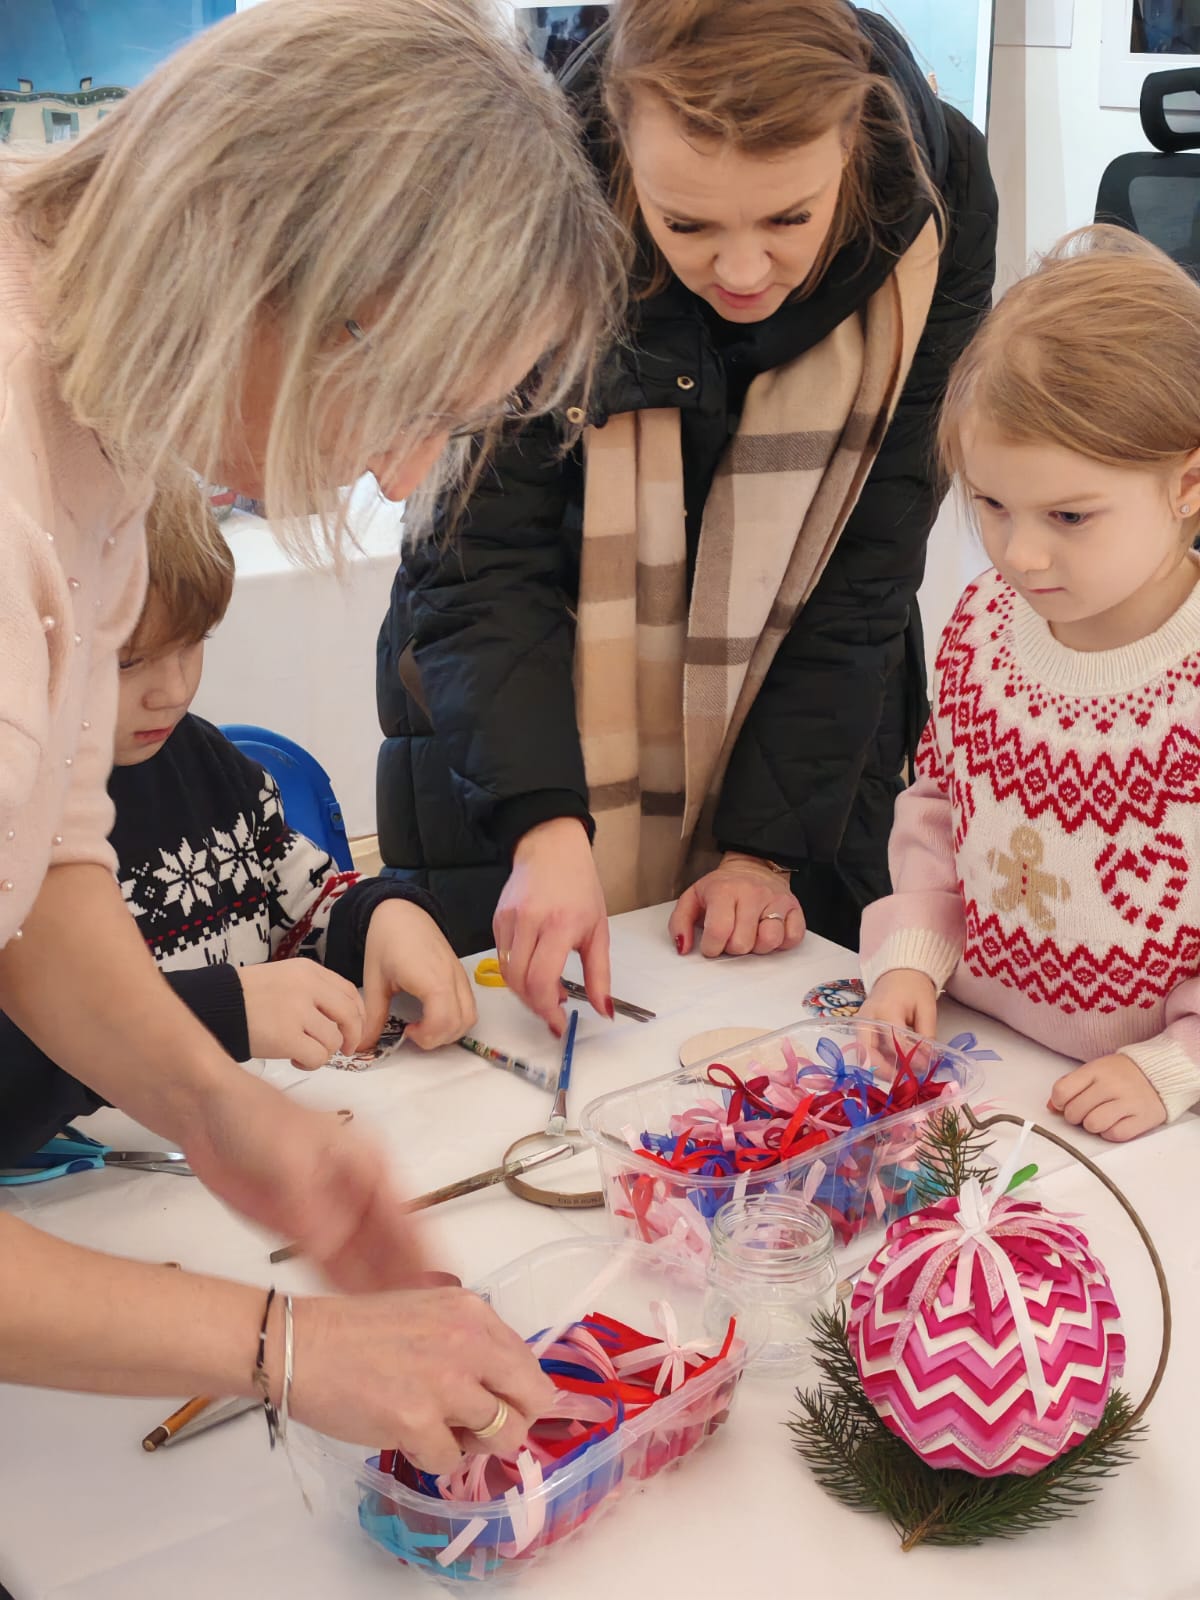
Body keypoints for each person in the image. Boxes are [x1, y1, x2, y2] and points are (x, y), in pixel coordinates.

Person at [0, 0, 621, 1462]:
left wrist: (218, 1111)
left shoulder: (91, 418)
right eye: (413, 401)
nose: (400, 474)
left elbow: (46, 860)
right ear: (278, 268)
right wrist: (283, 1345)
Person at [377, 0, 999, 1036]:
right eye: (688, 224)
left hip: (812, 720)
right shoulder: (529, 196)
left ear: (854, 135)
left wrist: (763, 849)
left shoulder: (941, 197)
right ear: (619, 146)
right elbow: (477, 553)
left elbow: (867, 559)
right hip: (524, 698)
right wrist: (541, 824)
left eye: (789, 218)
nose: (742, 272)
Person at [0, 480, 477, 1163]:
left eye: (192, 643)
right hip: (82, 1198)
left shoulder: (208, 763)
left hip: (234, 1164)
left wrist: (383, 916)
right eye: (127, 661)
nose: (173, 690)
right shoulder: (16, 808)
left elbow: (306, 909)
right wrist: (222, 1011)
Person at [858, 228, 1200, 1143]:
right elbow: (939, 808)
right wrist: (911, 955)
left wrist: (1177, 1064)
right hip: (978, 1061)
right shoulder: (982, 623)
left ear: (1189, 483)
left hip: (1144, 1116)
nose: (1021, 554)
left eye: (1069, 515)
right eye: (992, 505)